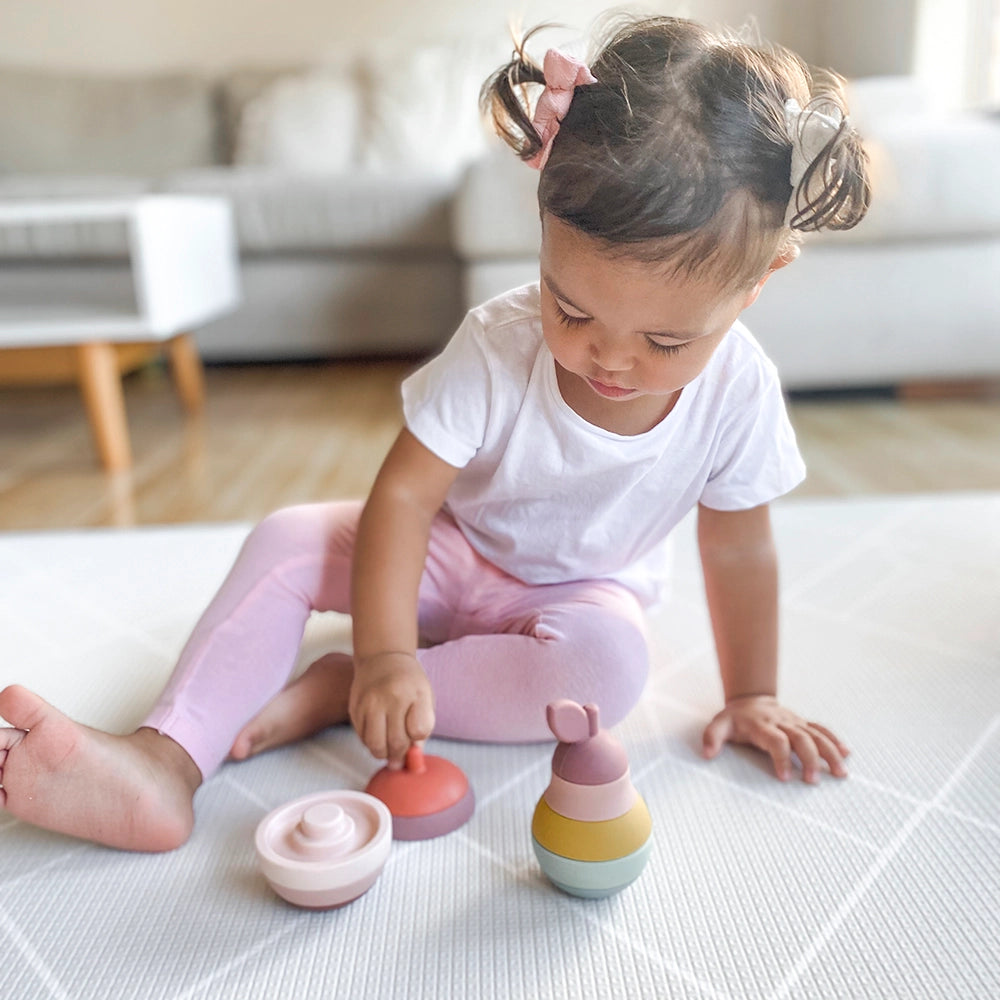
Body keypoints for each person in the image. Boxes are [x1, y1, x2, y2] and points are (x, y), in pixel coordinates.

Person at [0, 15, 870, 852]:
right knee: (287, 540)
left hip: (578, 595)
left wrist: (751, 695)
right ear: (543, 230)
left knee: (609, 672)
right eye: (571, 309)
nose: (609, 358)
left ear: (756, 285)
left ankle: (344, 689)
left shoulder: (740, 391)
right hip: (448, 552)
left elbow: (739, 548)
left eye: (666, 342)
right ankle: (163, 762)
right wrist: (386, 650)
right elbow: (404, 499)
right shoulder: (498, 344)